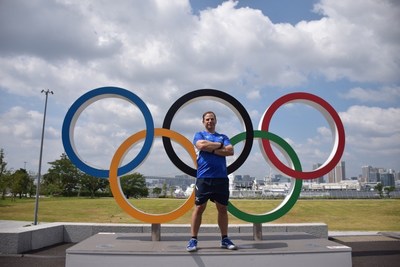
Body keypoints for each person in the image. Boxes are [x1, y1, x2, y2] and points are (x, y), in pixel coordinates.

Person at [186, 111, 237, 252]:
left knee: (222, 209)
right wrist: (219, 146)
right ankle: (193, 239)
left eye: (212, 119)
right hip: (204, 178)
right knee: (199, 208)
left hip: (221, 178)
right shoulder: (199, 134)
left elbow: (230, 150)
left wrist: (212, 149)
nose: (210, 121)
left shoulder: (223, 136)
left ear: (216, 121)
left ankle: (225, 239)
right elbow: (201, 145)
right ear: (203, 121)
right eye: (207, 119)